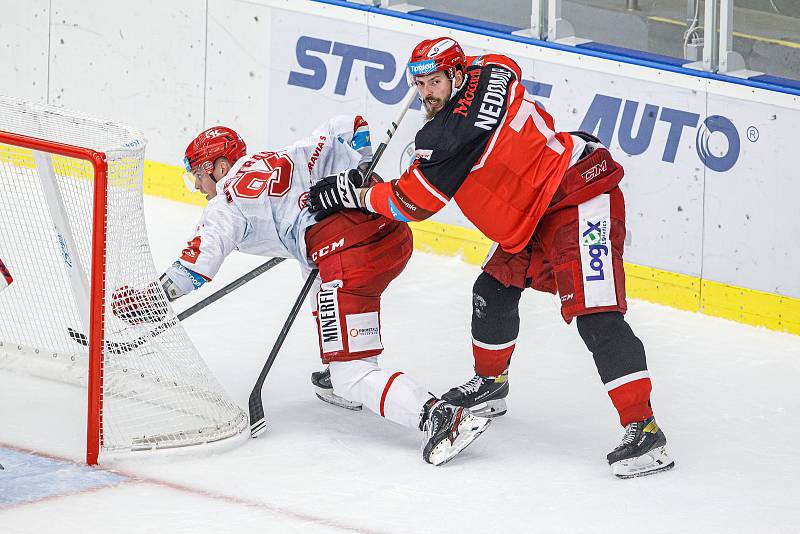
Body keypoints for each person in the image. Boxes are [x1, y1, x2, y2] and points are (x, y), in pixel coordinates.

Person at [308, 37, 674, 478]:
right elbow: (503, 65)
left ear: (457, 75)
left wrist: (355, 193)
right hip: (537, 208)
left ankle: (646, 431)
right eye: (421, 84)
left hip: (579, 195)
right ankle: (491, 385)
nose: (427, 94)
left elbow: (412, 203)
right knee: (493, 290)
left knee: (597, 316)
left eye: (436, 82)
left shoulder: (446, 138)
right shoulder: (491, 71)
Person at [110, 116, 490, 466]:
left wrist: (149, 301)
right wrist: (361, 165)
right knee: (320, 282)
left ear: (221, 167)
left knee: (351, 374)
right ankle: (342, 361)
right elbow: (350, 124)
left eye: (199, 174)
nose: (196, 185)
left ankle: (440, 417)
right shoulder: (282, 156)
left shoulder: (225, 203)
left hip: (349, 255)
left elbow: (193, 270)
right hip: (389, 232)